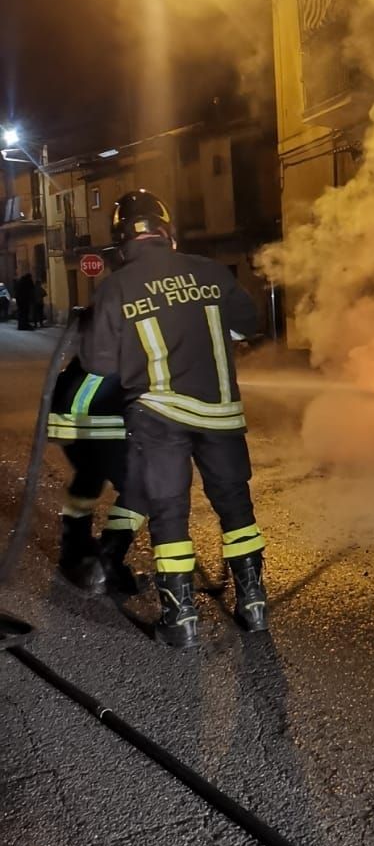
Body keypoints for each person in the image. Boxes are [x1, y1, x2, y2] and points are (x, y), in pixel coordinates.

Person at [80, 189, 267, 649]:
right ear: (167, 230)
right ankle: (254, 604)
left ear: (122, 238)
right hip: (220, 411)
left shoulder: (117, 287)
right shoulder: (210, 272)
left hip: (158, 414)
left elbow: (98, 363)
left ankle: (180, 618)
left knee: (168, 511)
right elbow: (249, 324)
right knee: (236, 508)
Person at [47, 329, 146, 595]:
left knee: (88, 476)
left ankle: (74, 552)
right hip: (107, 412)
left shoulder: (115, 303)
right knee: (141, 488)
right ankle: (107, 564)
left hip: (68, 411)